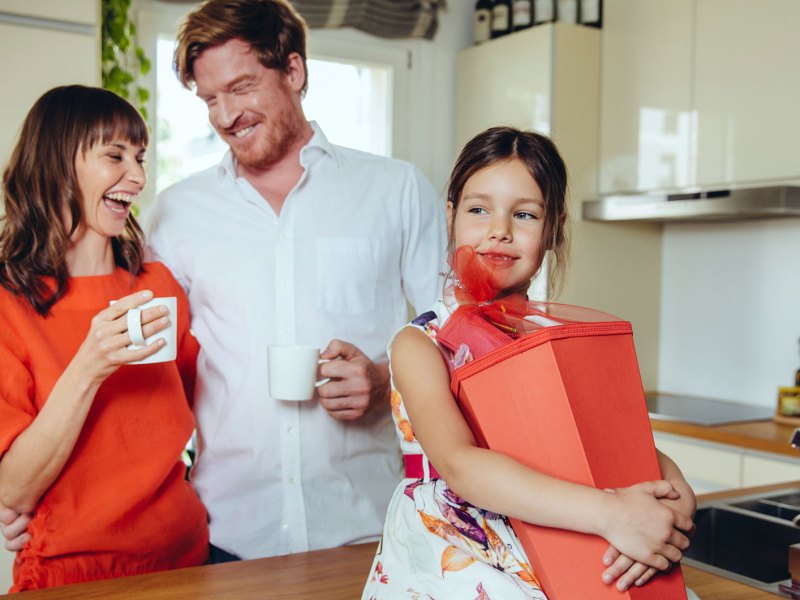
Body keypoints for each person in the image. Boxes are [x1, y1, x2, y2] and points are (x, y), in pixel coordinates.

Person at [141, 0, 446, 562]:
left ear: (295, 71)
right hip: (226, 535)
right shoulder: (174, 215)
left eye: (241, 87)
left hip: (369, 531)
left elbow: (456, 338)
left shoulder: (396, 190)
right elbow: (149, 372)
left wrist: (386, 380)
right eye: (210, 99)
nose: (225, 114)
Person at [362, 127, 697, 599]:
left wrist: (672, 482)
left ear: (553, 230)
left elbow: (605, 437)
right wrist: (610, 514)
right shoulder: (419, 343)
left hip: (559, 531)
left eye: (524, 214)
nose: (499, 229)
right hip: (452, 550)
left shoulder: (555, 338)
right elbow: (461, 466)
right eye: (479, 210)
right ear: (451, 217)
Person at [0, 85, 208, 591]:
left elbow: (191, 415)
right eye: (114, 156)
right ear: (55, 165)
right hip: (71, 572)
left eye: (139, 157)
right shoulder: (10, 304)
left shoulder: (158, 287)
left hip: (188, 557)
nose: (137, 177)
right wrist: (90, 363)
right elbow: (13, 488)